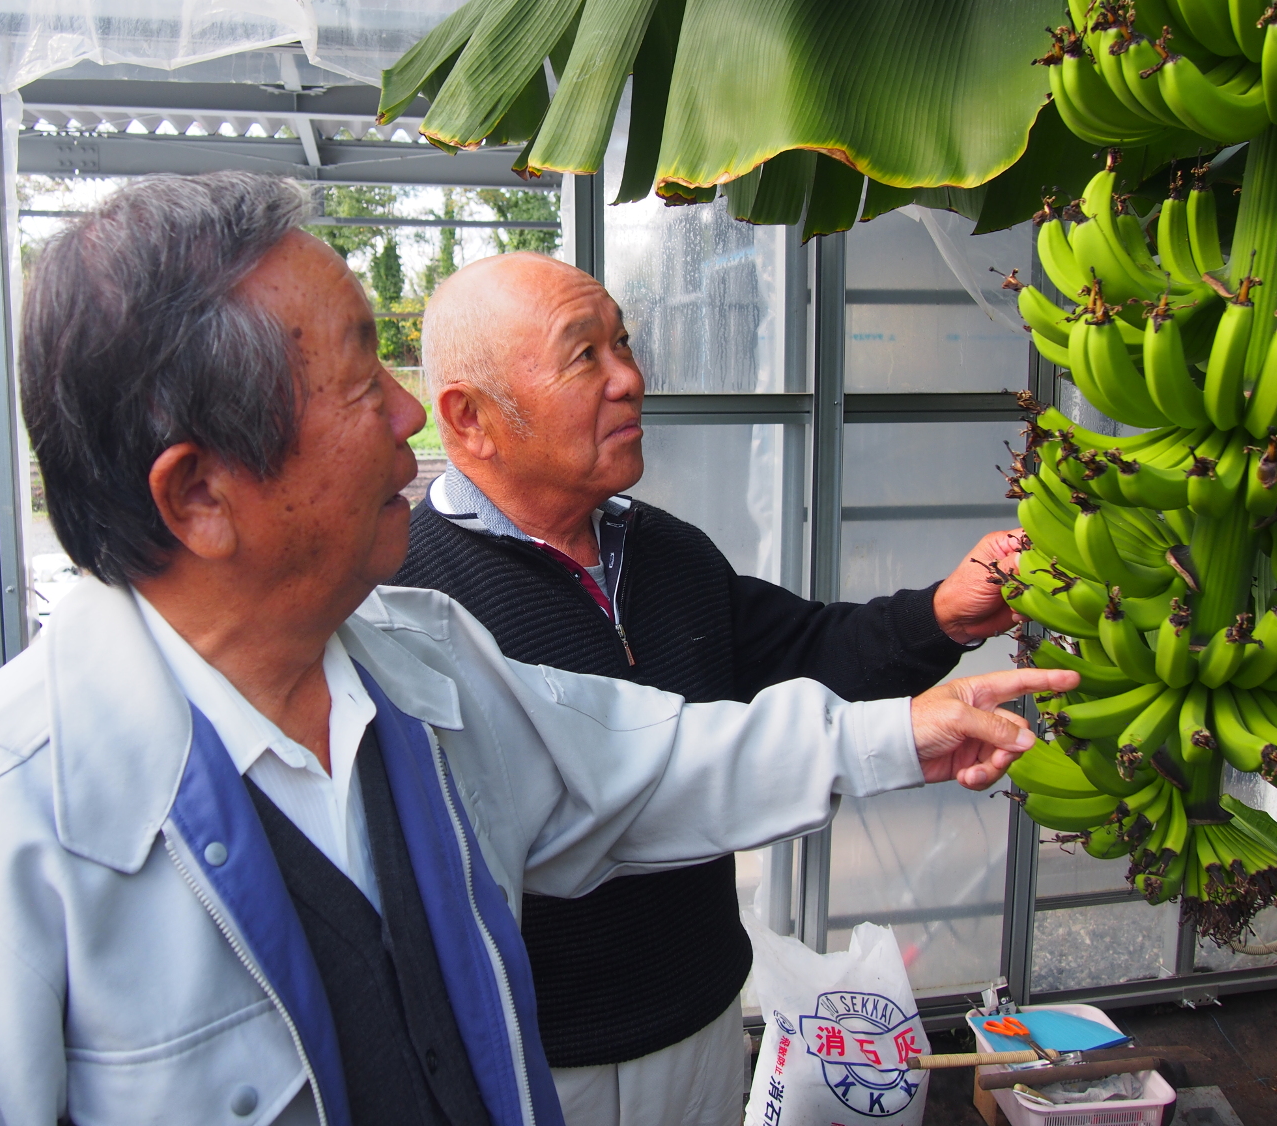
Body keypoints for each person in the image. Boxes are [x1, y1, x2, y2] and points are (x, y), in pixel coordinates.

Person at [0, 173, 1071, 1126]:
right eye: (365, 379)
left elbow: (646, 763)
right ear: (202, 492)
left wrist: (904, 727)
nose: (408, 417)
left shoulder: (423, 667)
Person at [394, 251, 1026, 1126]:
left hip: (698, 1024)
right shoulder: (410, 603)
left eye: (624, 341)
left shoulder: (664, 551)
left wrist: (943, 616)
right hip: (530, 1060)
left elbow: (807, 650)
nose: (630, 377)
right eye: (585, 356)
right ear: (469, 417)